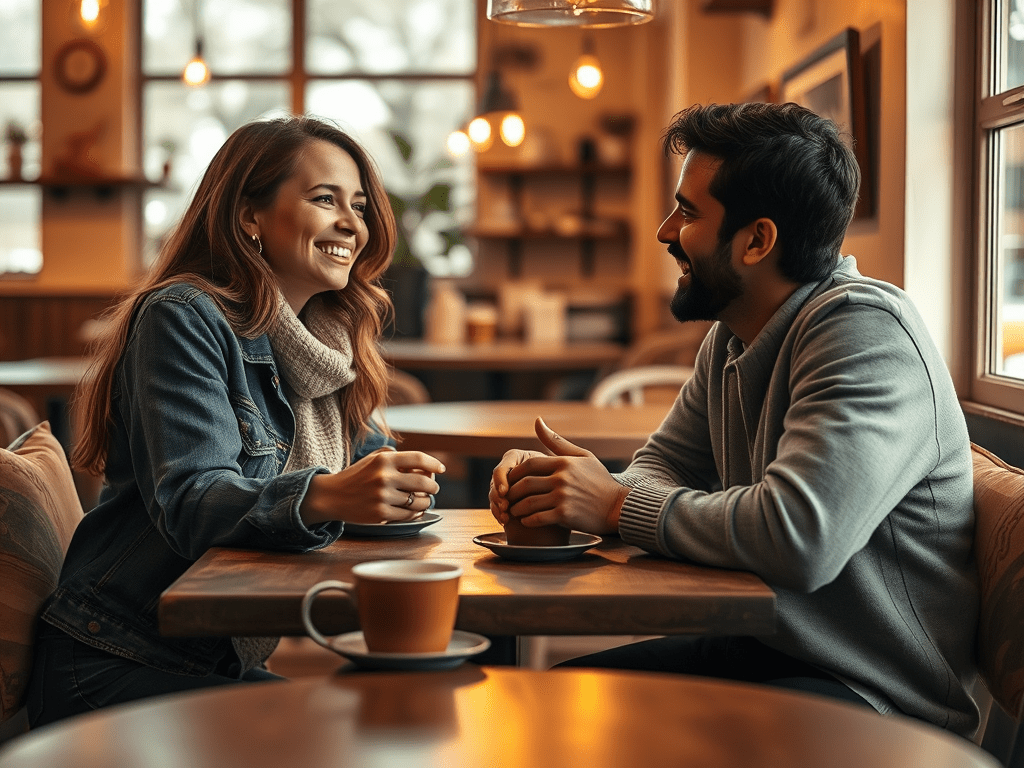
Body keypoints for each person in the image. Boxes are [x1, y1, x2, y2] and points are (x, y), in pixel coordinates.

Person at [489, 102, 979, 738]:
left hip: (872, 694)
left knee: (563, 732)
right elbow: (661, 465)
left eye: (688, 212)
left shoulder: (864, 332)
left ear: (758, 240)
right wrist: (575, 489)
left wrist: (612, 506)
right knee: (529, 712)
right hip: (765, 647)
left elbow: (799, 537)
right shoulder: (736, 331)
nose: (665, 231)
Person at [27, 115, 445, 726]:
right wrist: (331, 494)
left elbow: (369, 469)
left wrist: (427, 479)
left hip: (204, 660)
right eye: (324, 199)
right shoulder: (184, 316)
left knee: (401, 716)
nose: (352, 223)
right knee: (369, 729)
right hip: (111, 661)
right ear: (249, 216)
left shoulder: (323, 341)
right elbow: (193, 502)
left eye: (358, 205)